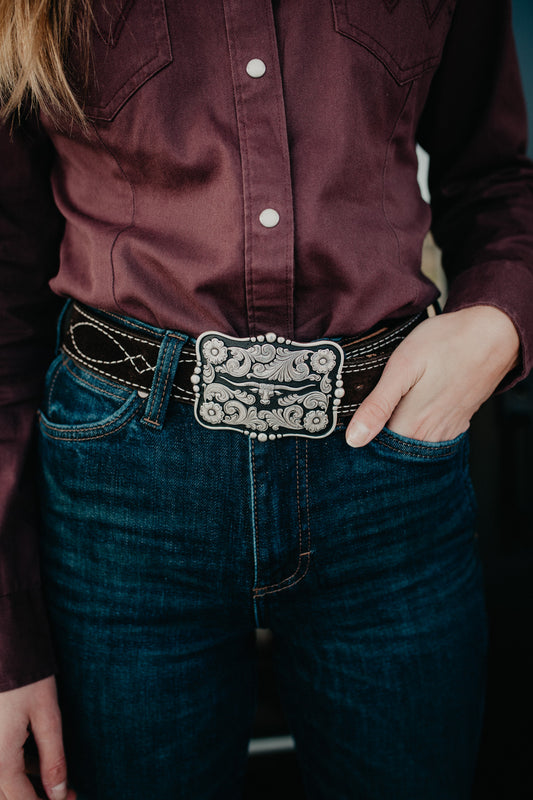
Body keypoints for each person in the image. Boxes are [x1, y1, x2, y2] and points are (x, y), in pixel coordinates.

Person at [0, 1, 532, 798]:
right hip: (121, 489)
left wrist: (498, 319)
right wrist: (8, 642)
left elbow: (495, 178)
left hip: (385, 469)